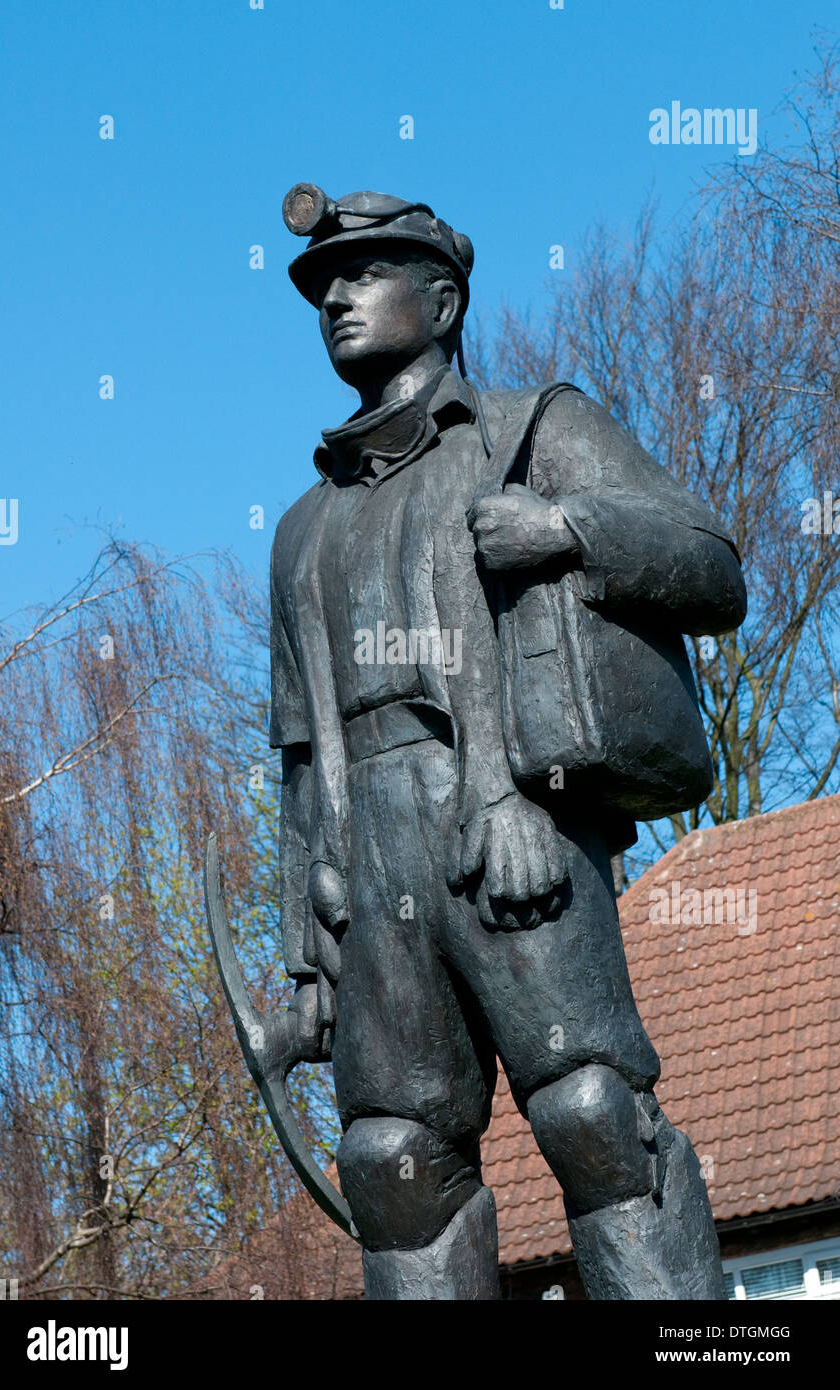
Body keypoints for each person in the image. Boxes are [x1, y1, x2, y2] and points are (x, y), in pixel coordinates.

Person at [268, 185, 746, 1299]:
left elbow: (711, 564)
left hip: (508, 820)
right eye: (319, 285)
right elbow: (298, 749)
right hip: (366, 862)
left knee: (593, 1116)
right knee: (390, 1159)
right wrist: (307, 953)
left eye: (365, 272)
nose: (334, 294)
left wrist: (567, 527)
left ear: (440, 301)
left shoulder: (534, 430)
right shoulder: (300, 527)